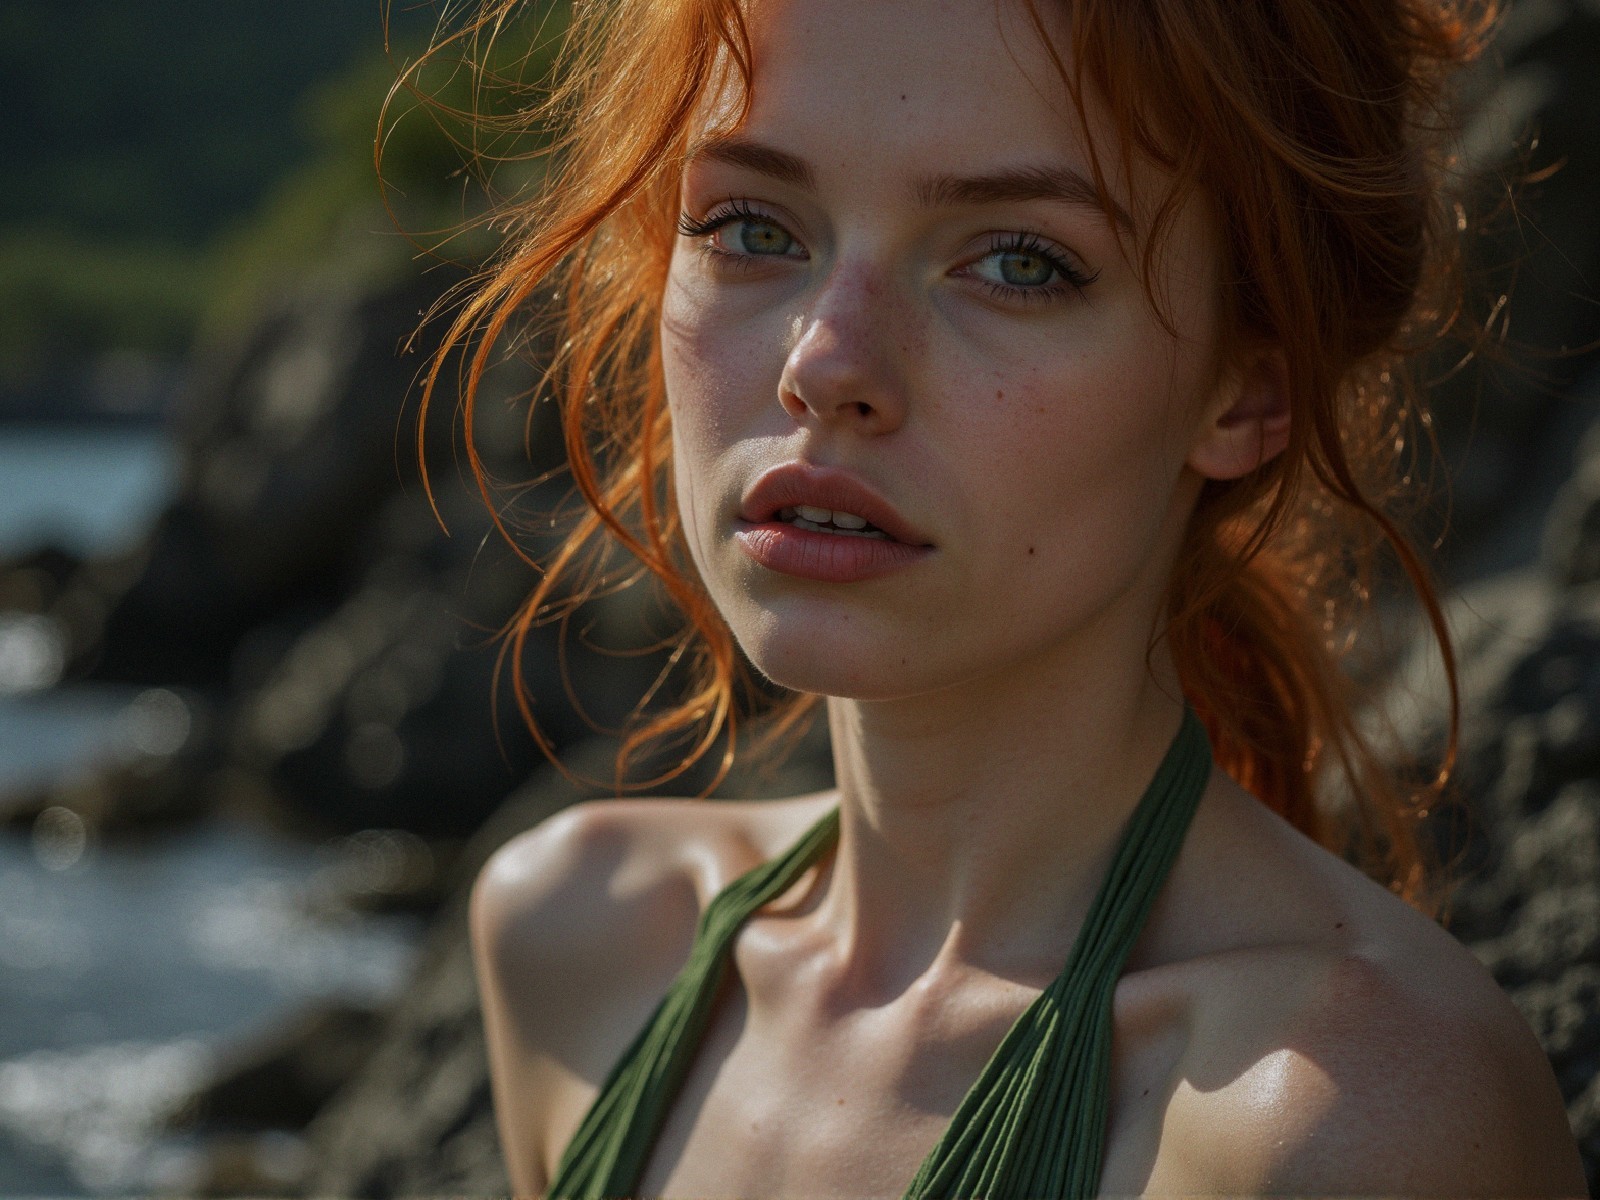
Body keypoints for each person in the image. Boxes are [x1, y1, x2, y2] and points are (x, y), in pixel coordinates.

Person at [430, 0, 1589, 1193]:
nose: (824, 364)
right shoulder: (578, 942)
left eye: (1017, 262)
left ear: (1246, 391)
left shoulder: (1333, 1119)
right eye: (748, 225)